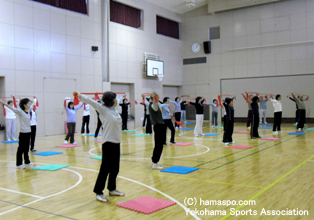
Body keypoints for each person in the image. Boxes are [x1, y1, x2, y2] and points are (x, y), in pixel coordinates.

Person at [77, 91, 124, 203]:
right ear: (110, 100)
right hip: (108, 143)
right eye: (115, 98)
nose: (117, 100)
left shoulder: (115, 110)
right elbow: (92, 102)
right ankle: (99, 192)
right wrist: (80, 96)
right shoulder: (103, 110)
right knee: (105, 169)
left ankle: (112, 189)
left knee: (115, 169)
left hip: (117, 143)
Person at [0, 97, 36, 169]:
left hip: (28, 132)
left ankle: (27, 162)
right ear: (25, 105)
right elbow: (10, 107)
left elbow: (33, 103)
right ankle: (19, 164)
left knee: (26, 148)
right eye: (28, 103)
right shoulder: (20, 111)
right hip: (23, 133)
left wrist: (34, 99)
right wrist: (1, 102)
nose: (30, 104)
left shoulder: (29, 110)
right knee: (21, 148)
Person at [149, 92, 166, 169]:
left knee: (160, 145)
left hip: (160, 126)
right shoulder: (153, 105)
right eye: (157, 97)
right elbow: (155, 106)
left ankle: (155, 161)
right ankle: (155, 162)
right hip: (158, 126)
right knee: (158, 145)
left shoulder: (155, 104)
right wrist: (155, 98)